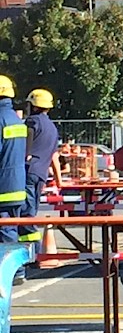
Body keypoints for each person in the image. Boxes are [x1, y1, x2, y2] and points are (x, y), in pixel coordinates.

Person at [17, 88, 61, 281]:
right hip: (41, 175)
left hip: (28, 173)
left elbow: (25, 146)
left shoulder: (32, 122)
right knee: (31, 213)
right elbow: (54, 156)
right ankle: (32, 254)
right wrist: (58, 181)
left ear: (33, 105)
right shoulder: (52, 128)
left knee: (25, 215)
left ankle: (28, 256)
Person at [0, 75, 28, 277]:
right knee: (11, 228)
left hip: (2, 187)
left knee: (5, 231)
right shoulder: (14, 119)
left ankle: (14, 273)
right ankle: (18, 269)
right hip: (17, 184)